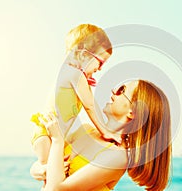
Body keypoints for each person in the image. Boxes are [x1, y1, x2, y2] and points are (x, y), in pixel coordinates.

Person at [32, 80, 172, 191]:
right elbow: (40, 165)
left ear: (132, 112)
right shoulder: (86, 130)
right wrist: (42, 170)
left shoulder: (118, 157)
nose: (113, 92)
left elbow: (57, 189)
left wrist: (57, 140)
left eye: (121, 90)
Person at [30, 24, 120, 177]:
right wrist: (104, 131)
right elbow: (90, 106)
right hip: (46, 132)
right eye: (101, 62)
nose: (100, 69)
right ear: (83, 55)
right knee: (49, 170)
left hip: (52, 134)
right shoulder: (74, 74)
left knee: (56, 170)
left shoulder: (75, 75)